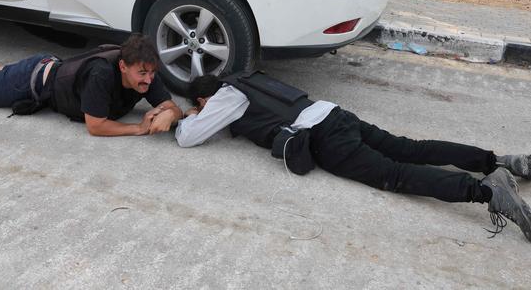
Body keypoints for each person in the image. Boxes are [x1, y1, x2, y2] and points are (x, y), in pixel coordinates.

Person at [176, 71, 531, 242]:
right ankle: (499, 160)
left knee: (395, 175)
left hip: (325, 137)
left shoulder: (222, 99)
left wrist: (188, 117)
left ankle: (488, 191)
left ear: (204, 100)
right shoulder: (246, 78)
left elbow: (189, 138)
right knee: (411, 148)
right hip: (334, 114)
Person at [0, 33, 182, 136]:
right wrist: (137, 128)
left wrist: (170, 111)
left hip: (46, 67)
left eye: (151, 73)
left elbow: (170, 105)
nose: (148, 79)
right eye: (142, 73)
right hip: (32, 82)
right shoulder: (101, 75)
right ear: (123, 66)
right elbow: (96, 126)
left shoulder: (145, 74)